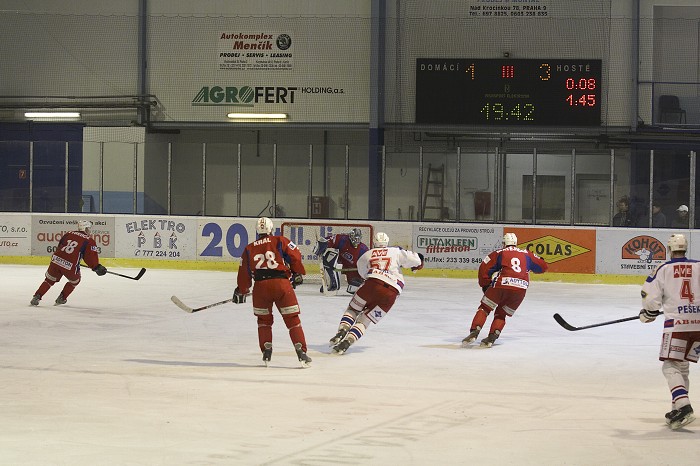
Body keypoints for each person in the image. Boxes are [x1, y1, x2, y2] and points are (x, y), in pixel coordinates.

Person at [233, 217, 311, 368]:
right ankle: (301, 351)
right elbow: (295, 255)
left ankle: (266, 351)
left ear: (257, 231)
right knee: (292, 320)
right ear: (271, 229)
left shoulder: (249, 249)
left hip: (261, 288)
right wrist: (297, 273)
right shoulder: (280, 240)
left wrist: (241, 290)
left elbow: (244, 273)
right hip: (282, 285)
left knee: (263, 321)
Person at [639, 233, 699, 430]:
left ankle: (683, 405)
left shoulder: (663, 268)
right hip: (698, 326)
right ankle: (677, 410)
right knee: (683, 367)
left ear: (669, 249)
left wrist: (649, 312)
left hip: (677, 326)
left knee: (670, 366)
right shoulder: (699, 266)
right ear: (685, 248)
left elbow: (650, 295)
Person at [328, 231, 423, 355]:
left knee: (353, 310)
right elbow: (417, 259)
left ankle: (342, 331)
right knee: (365, 319)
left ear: (374, 242)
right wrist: (418, 265)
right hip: (392, 292)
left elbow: (363, 273)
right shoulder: (395, 251)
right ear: (387, 242)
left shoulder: (367, 254)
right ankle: (347, 342)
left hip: (372, 284)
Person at [462, 232, 548, 348]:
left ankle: (474, 332)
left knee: (485, 308)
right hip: (520, 290)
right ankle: (492, 337)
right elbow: (543, 267)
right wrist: (539, 259)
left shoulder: (499, 253)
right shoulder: (527, 254)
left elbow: (484, 268)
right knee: (501, 314)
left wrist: (485, 285)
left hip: (501, 285)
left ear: (504, 243)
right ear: (516, 243)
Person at [30, 220, 107, 306]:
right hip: (70, 266)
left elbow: (60, 246)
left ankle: (37, 296)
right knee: (75, 281)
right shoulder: (89, 240)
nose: (89, 231)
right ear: (85, 229)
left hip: (56, 261)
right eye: (88, 229)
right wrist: (96, 267)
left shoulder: (68, 233)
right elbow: (90, 257)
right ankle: (62, 298)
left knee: (49, 280)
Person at [314, 227, 370, 294]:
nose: (356, 240)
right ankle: (331, 283)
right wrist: (322, 245)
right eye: (355, 238)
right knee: (330, 256)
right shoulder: (343, 239)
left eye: (358, 239)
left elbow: (367, 263)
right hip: (339, 263)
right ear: (350, 237)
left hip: (352, 269)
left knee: (354, 287)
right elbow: (328, 240)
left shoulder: (363, 249)